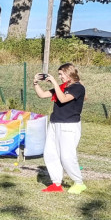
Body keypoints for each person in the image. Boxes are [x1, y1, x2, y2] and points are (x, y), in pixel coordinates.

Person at [35, 63, 87, 194]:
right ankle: (56, 183)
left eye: (61, 74)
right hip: (54, 123)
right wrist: (35, 83)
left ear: (69, 73)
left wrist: (53, 82)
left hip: (69, 125)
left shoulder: (77, 88)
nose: (59, 77)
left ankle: (79, 183)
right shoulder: (62, 87)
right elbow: (42, 95)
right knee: (50, 153)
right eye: (58, 75)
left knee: (67, 156)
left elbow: (63, 99)